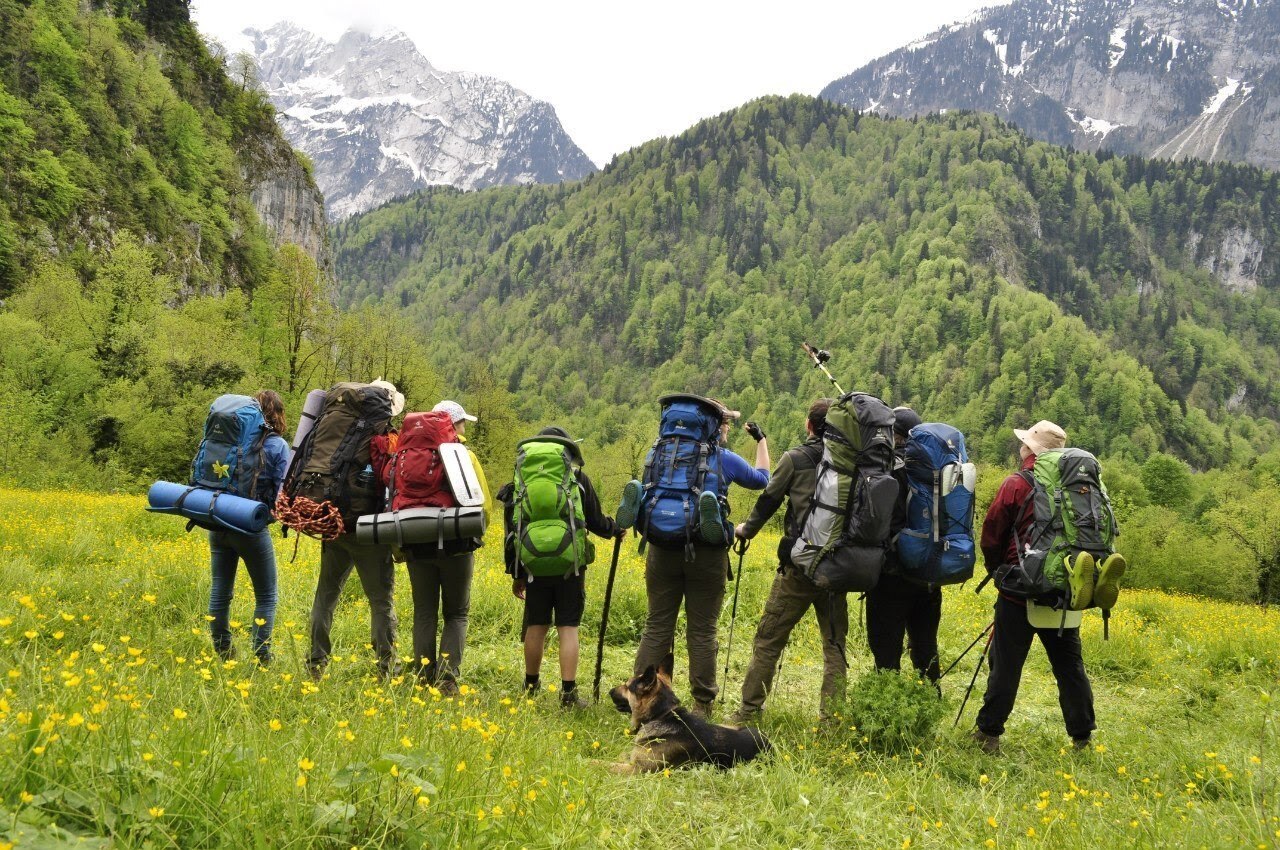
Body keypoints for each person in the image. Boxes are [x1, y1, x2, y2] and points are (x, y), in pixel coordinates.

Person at [627, 398, 771, 719]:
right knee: (702, 630)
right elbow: (763, 479)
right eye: (726, 424)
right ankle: (702, 705)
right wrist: (761, 441)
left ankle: (640, 697)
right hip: (706, 553)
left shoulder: (659, 454)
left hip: (662, 546)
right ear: (715, 427)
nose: (728, 430)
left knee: (657, 624)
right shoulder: (723, 459)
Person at [972, 420, 1096, 754]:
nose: (1021, 445)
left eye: (1024, 442)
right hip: (1066, 587)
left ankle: (989, 734)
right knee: (1069, 666)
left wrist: (997, 570)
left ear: (1031, 449)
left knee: (1006, 663)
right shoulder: (1078, 487)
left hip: (1020, 588)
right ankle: (1082, 737)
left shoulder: (1016, 483)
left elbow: (992, 533)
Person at [729, 399, 848, 725]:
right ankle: (832, 720)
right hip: (838, 568)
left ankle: (748, 712)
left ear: (809, 425)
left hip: (799, 568)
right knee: (834, 646)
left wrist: (746, 530)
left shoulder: (795, 459)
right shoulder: (851, 462)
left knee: (769, 639)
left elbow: (768, 500)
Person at [504, 426, 622, 709]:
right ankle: (568, 693)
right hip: (571, 565)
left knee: (536, 624)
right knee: (568, 626)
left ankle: (530, 686)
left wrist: (517, 573)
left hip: (533, 565)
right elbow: (595, 520)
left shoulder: (522, 479)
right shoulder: (577, 478)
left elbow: (512, 529)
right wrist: (615, 529)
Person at [307, 379, 404, 680]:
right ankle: (387, 667)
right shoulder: (385, 438)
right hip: (368, 528)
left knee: (326, 596)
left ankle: (315, 664)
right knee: (381, 600)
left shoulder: (340, 426)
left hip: (333, 520)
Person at [399, 399, 489, 696]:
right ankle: (447, 681)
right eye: (462, 423)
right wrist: (477, 533)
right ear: (453, 425)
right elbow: (483, 504)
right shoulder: (464, 455)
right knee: (456, 614)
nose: (464, 429)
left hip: (415, 541)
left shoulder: (406, 454)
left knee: (424, 612)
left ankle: (423, 676)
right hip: (456, 545)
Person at [208, 390, 290, 665]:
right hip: (251, 526)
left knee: (220, 590)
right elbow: (282, 491)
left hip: (218, 518)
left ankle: (223, 651)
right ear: (278, 414)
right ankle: (262, 657)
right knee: (266, 595)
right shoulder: (277, 445)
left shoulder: (230, 440)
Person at [865, 406, 943, 684]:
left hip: (892, 574)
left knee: (886, 649)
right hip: (930, 573)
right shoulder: (937, 468)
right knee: (926, 646)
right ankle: (930, 700)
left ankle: (886, 701)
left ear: (892, 434)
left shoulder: (888, 468)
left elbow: (875, 520)